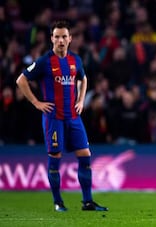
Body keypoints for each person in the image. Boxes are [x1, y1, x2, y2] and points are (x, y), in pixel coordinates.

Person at [16, 20, 108, 212]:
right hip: (53, 118)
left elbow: (83, 78)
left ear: (70, 38)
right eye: (57, 36)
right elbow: (21, 80)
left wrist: (81, 100)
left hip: (74, 117)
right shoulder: (44, 61)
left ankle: (88, 202)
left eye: (64, 36)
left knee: (85, 155)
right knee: (55, 157)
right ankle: (58, 202)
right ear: (51, 39)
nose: (60, 40)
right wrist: (36, 103)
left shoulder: (76, 60)